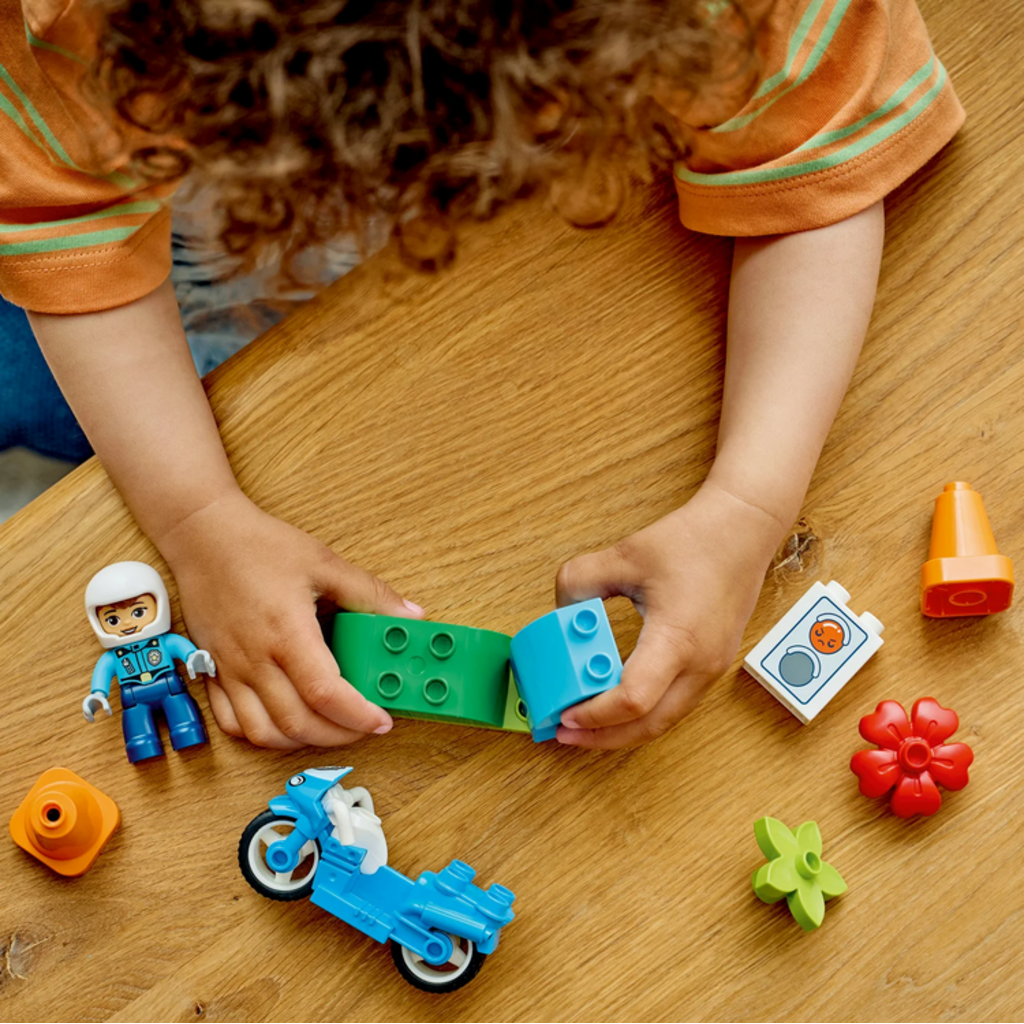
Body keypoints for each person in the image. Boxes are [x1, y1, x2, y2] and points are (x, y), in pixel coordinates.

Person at [0, 0, 964, 750]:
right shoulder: (54, 38)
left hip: (460, 301)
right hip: (168, 292)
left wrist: (751, 505)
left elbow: (810, 169)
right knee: (41, 405)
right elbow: (66, 242)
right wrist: (196, 519)